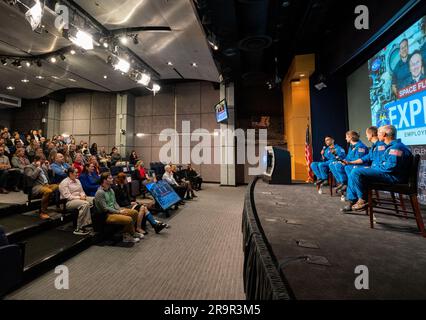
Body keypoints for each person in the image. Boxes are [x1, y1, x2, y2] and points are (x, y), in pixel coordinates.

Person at [342, 125, 412, 212]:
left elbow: (389, 167)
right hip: (389, 175)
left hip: (394, 178)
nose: (377, 135)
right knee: (355, 171)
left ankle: (363, 200)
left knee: (356, 172)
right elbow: (383, 164)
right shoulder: (391, 147)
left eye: (378, 133)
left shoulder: (396, 148)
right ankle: (361, 199)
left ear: (384, 134)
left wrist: (374, 167)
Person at [94, 173, 142, 243]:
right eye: (110, 178)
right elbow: (104, 208)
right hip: (107, 215)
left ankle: (128, 233)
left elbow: (115, 203)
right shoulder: (100, 192)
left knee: (134, 213)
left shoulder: (111, 190)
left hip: (115, 210)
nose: (112, 179)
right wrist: (119, 212)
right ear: (104, 180)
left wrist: (120, 209)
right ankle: (128, 236)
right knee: (129, 219)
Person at [59, 168, 93, 235]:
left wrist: (83, 196)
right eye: (76, 173)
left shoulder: (77, 180)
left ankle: (93, 223)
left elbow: (82, 191)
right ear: (70, 174)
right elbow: (67, 197)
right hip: (67, 202)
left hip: (79, 199)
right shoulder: (64, 183)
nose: (78, 174)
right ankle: (79, 228)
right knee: (85, 204)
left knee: (94, 200)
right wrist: (80, 197)